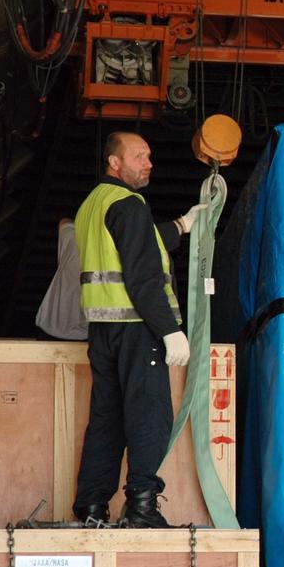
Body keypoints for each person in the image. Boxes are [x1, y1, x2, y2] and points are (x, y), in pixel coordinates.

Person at [73, 132, 205, 528]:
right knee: (149, 415)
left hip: (103, 331)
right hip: (137, 329)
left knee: (107, 420)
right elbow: (143, 274)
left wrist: (181, 225)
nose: (149, 163)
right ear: (115, 163)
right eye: (139, 156)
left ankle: (93, 507)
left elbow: (136, 246)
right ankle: (143, 506)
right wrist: (168, 330)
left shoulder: (92, 206)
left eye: (150, 155)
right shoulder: (129, 205)